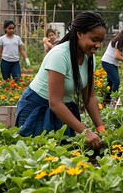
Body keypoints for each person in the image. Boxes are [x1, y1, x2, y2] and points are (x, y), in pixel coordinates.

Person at [15, 11, 107, 149]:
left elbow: (89, 97)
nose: (98, 45)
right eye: (94, 40)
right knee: (39, 157)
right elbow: (55, 102)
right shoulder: (60, 55)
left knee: (64, 157)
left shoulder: (89, 57)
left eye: (100, 41)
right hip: (37, 109)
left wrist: (101, 129)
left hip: (63, 111)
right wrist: (86, 131)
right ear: (79, 34)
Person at [101, 27, 123, 106]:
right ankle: (113, 102)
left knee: (110, 82)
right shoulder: (118, 42)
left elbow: (120, 55)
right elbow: (117, 56)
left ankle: (106, 101)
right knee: (116, 81)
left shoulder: (120, 41)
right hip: (108, 63)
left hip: (111, 63)